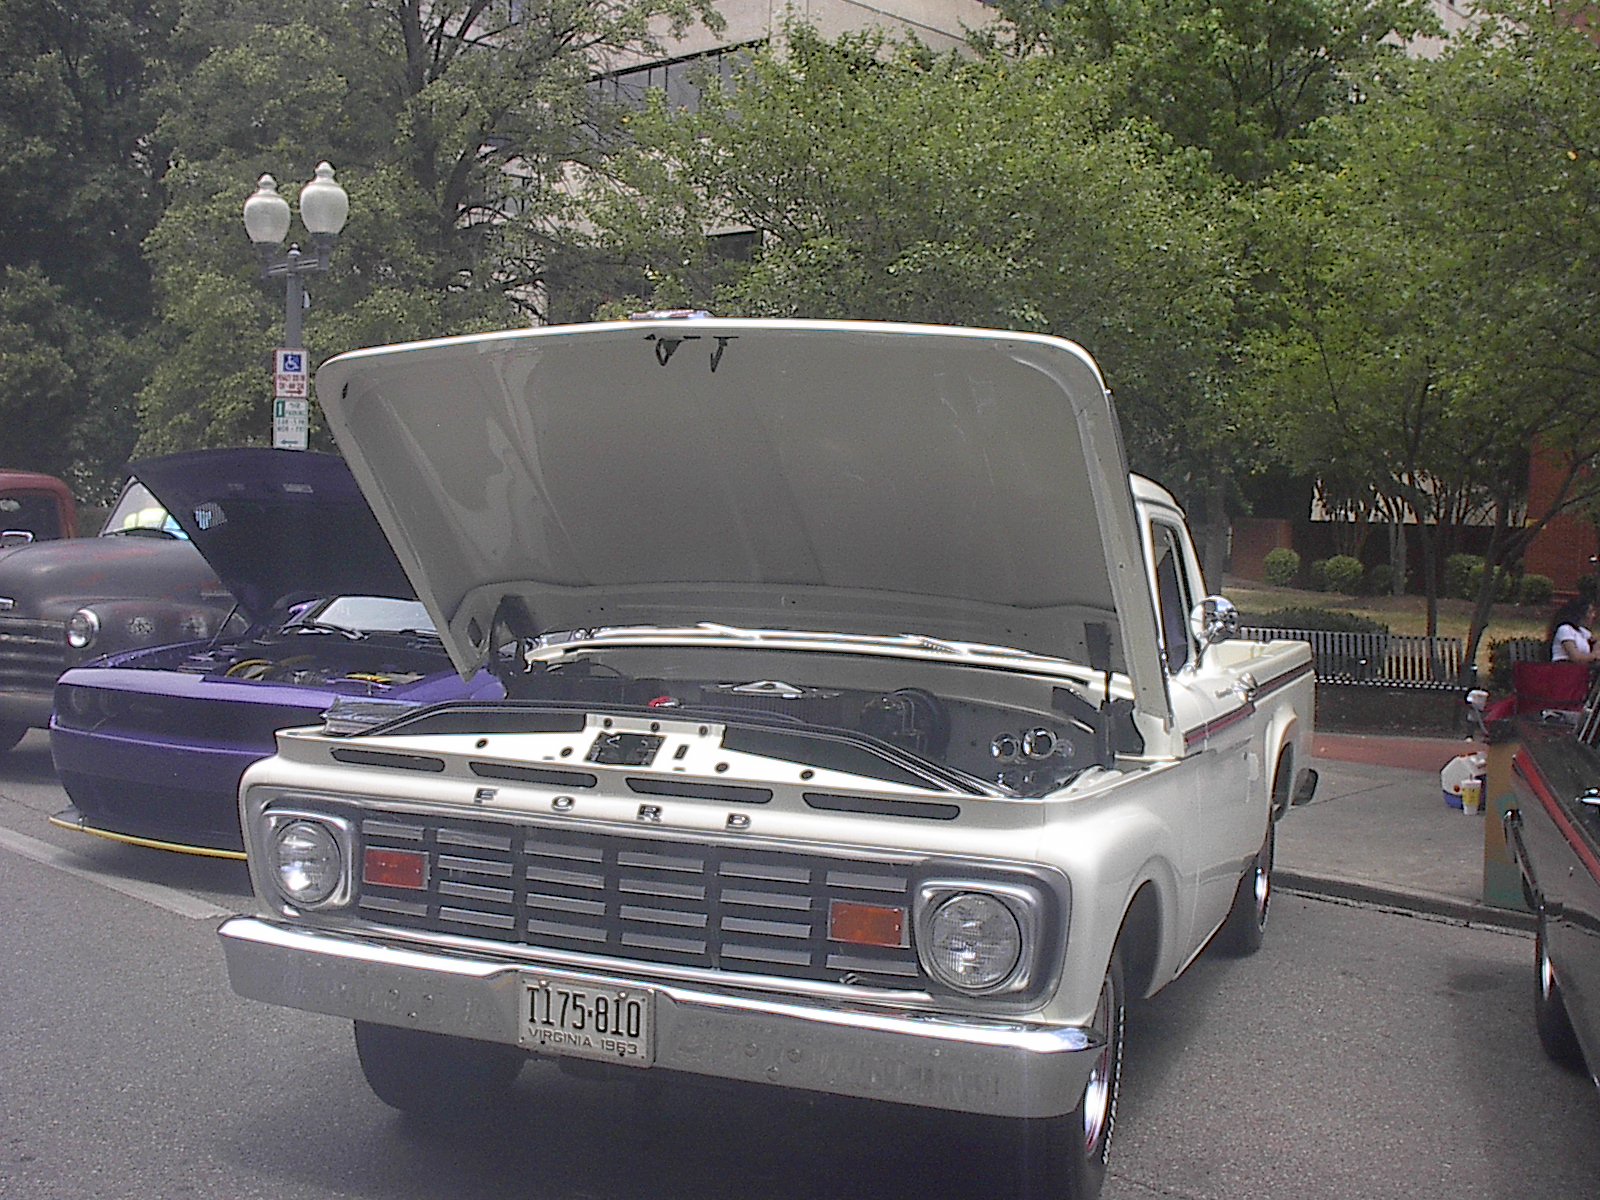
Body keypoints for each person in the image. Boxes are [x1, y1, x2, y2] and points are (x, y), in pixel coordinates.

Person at [1548, 596, 1599, 664]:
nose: (1593, 615)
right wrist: (1594, 655)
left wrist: (1596, 645)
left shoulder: (1584, 632)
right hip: (1564, 666)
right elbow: (1575, 657)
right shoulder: (1565, 629)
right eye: (1590, 612)